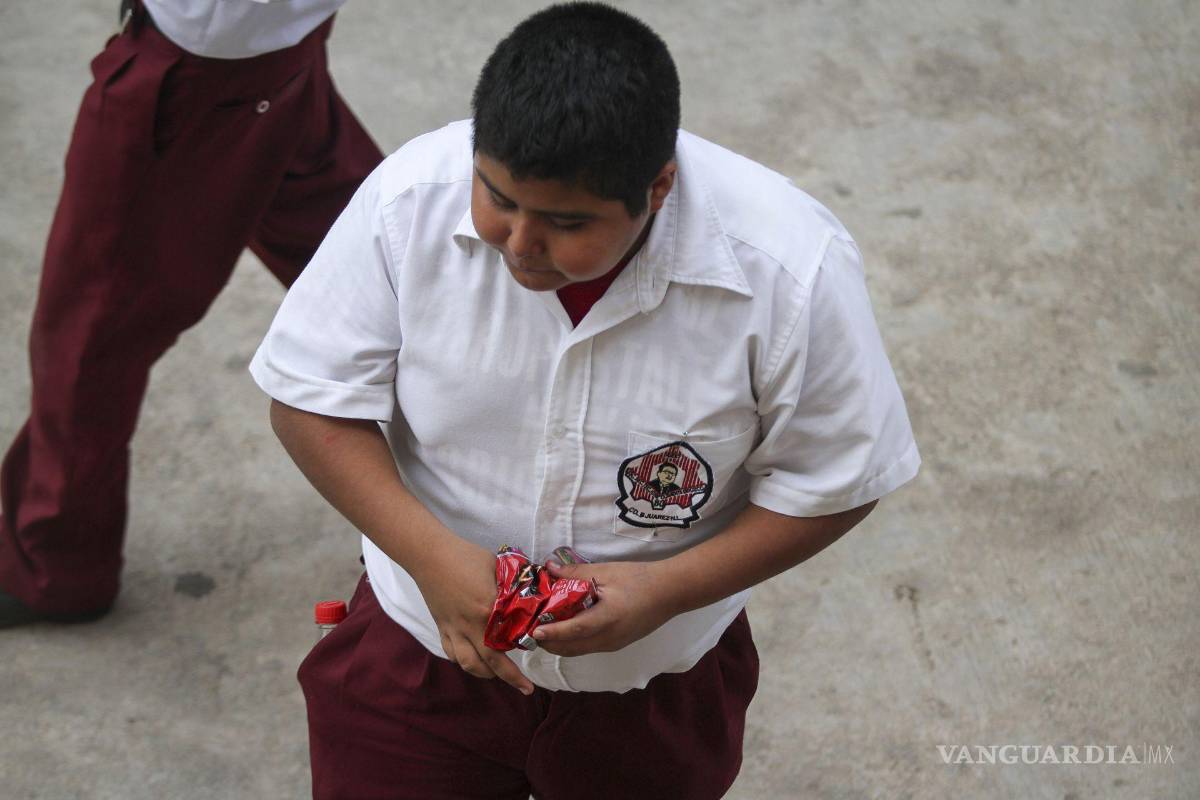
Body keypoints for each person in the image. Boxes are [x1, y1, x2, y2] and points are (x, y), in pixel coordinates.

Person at [252, 3, 920, 798]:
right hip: (417, 658)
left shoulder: (790, 272)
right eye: (498, 196)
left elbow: (841, 479)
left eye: (567, 222)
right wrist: (430, 557)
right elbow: (310, 399)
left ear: (659, 187)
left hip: (650, 691)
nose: (520, 244)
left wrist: (667, 590)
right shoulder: (406, 203)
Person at [0, 0, 383, 626]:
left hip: (207, 58)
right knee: (369, 263)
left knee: (90, 326)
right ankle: (493, 433)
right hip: (272, 42)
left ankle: (54, 563)